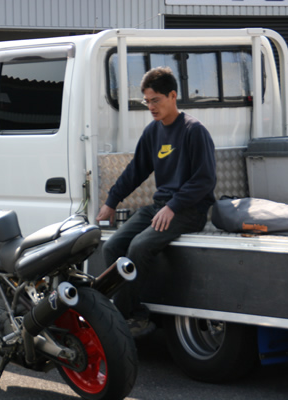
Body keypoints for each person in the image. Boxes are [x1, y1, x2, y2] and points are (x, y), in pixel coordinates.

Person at [96, 66, 217, 337]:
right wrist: (111, 201)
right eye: (147, 101)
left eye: (156, 100)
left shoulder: (194, 130)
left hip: (189, 210)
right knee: (113, 246)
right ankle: (133, 313)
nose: (151, 107)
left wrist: (173, 206)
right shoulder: (153, 132)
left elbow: (205, 180)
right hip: (161, 206)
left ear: (173, 96)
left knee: (139, 246)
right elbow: (135, 171)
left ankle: (123, 320)